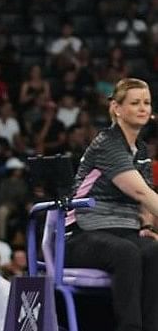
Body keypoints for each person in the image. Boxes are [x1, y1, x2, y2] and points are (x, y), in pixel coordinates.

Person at [64, 78, 158, 331]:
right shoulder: (107, 144)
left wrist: (149, 227)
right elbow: (140, 192)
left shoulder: (140, 150)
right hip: (81, 236)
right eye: (135, 102)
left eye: (147, 103)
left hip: (124, 233)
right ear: (117, 108)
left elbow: (148, 199)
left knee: (152, 250)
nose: (143, 108)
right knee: (126, 253)